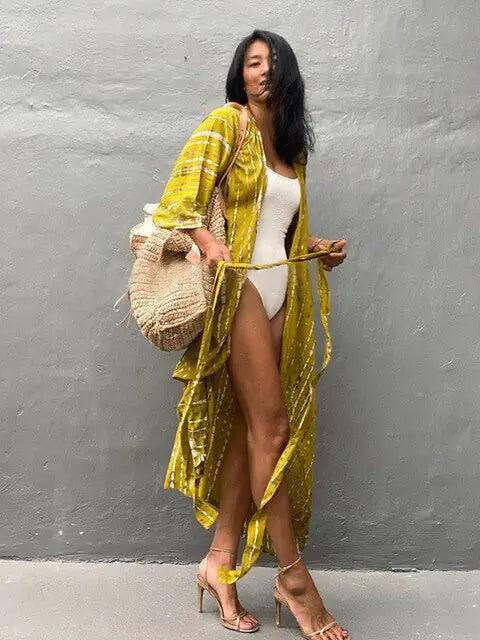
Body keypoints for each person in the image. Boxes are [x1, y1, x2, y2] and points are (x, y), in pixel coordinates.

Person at [152, 29, 348, 640]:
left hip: (282, 287)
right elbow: (177, 203)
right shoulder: (226, 123)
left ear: (287, 74)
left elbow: (278, 228)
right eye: (251, 62)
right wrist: (208, 242)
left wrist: (316, 247)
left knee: (248, 430)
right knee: (273, 427)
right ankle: (293, 578)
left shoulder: (290, 148)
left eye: (271, 62)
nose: (261, 70)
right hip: (239, 287)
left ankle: (219, 561)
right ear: (240, 75)